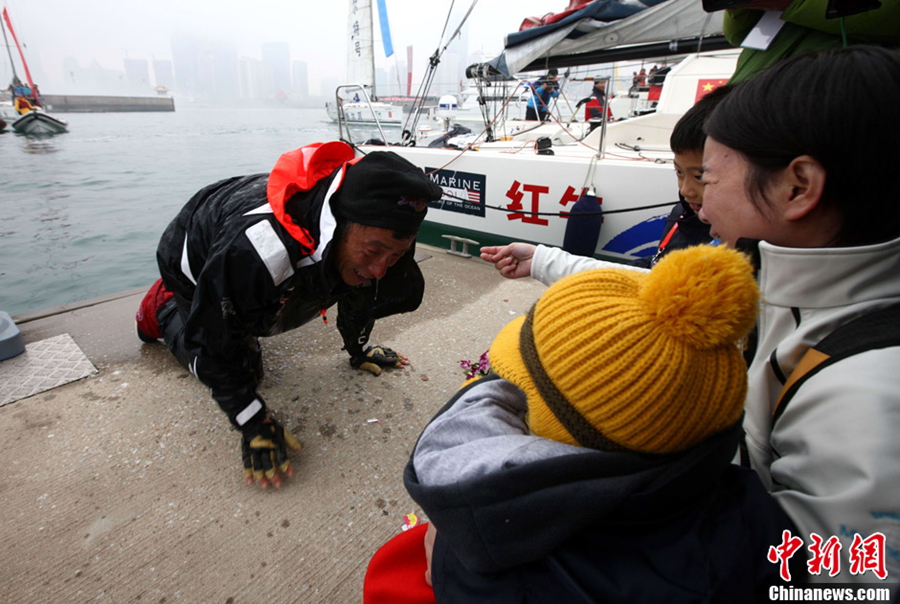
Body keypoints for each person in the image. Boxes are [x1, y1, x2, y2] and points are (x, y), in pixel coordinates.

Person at [481, 46, 900, 583]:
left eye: (711, 177)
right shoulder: (778, 276)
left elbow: (825, 585)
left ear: (797, 187)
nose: (697, 202)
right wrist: (543, 259)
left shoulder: (868, 395)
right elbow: (663, 297)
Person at [404, 245, 801, 602]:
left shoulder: (494, 565)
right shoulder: (759, 519)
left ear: (569, 437)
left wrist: (446, 546)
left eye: (523, 387)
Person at [135, 141, 443, 490]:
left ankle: (236, 296)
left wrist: (358, 350)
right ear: (337, 225)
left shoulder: (387, 230)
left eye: (395, 254)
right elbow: (213, 347)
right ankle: (161, 308)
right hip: (197, 249)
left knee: (365, 279)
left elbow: (362, 295)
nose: (379, 267)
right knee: (240, 367)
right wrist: (252, 422)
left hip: (259, 246)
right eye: (374, 252)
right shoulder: (255, 249)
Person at [630, 84, 730, 268]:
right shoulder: (682, 213)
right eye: (679, 172)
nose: (686, 190)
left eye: (700, 176)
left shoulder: (734, 237)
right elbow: (661, 262)